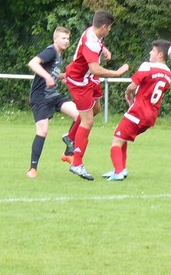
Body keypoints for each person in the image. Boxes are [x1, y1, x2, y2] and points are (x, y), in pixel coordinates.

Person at [63, 10, 129, 180]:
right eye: (110, 28)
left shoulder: (93, 31)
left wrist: (104, 50)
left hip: (89, 78)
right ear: (104, 27)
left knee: (96, 108)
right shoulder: (91, 42)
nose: (110, 30)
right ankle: (77, 163)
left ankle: (71, 137)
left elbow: (95, 52)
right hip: (80, 81)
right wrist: (116, 73)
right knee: (88, 121)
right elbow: (95, 68)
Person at [102, 40, 171, 181]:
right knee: (122, 136)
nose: (150, 53)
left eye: (153, 50)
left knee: (116, 141)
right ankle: (122, 168)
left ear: (160, 55)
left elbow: (133, 86)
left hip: (138, 111)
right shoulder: (168, 73)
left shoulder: (147, 66)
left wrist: (128, 93)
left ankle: (118, 172)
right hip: (151, 116)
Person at [26, 27, 78, 178]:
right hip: (40, 97)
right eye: (63, 38)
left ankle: (68, 153)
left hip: (53, 95)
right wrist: (47, 77)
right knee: (42, 131)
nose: (66, 41)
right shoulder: (51, 51)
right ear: (55, 39)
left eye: (67, 38)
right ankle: (32, 169)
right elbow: (33, 63)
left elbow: (53, 73)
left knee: (79, 115)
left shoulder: (59, 55)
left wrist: (64, 76)